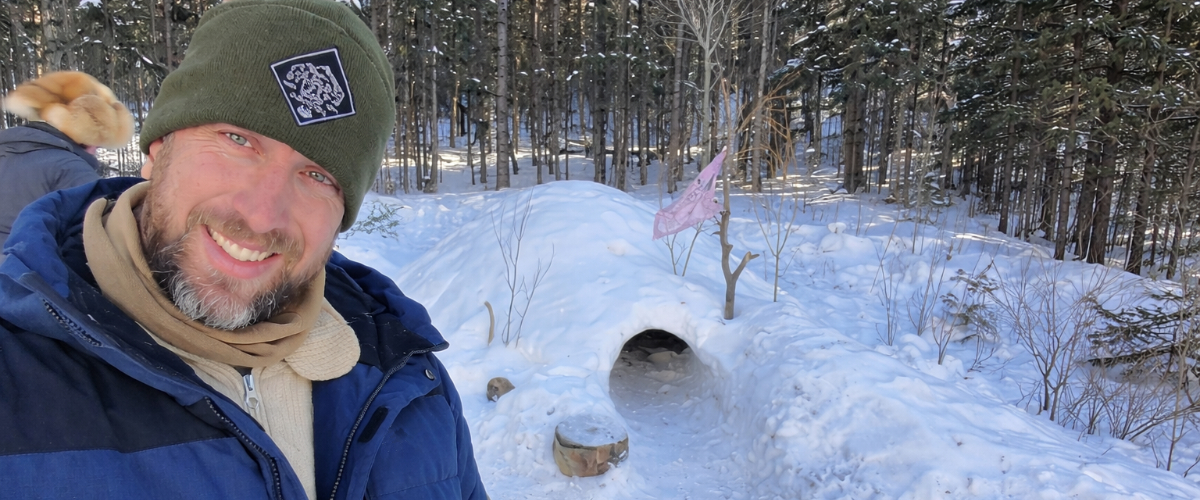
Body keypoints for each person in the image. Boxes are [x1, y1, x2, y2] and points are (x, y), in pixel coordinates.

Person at [0, 1, 486, 499]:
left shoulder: (410, 382)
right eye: (237, 140)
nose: (261, 216)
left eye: (317, 175)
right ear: (158, 148)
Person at [0, 70, 134, 248]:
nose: (95, 152)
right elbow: (100, 244)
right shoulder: (72, 171)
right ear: (85, 134)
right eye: (98, 144)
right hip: (30, 272)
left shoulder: (7, 149)